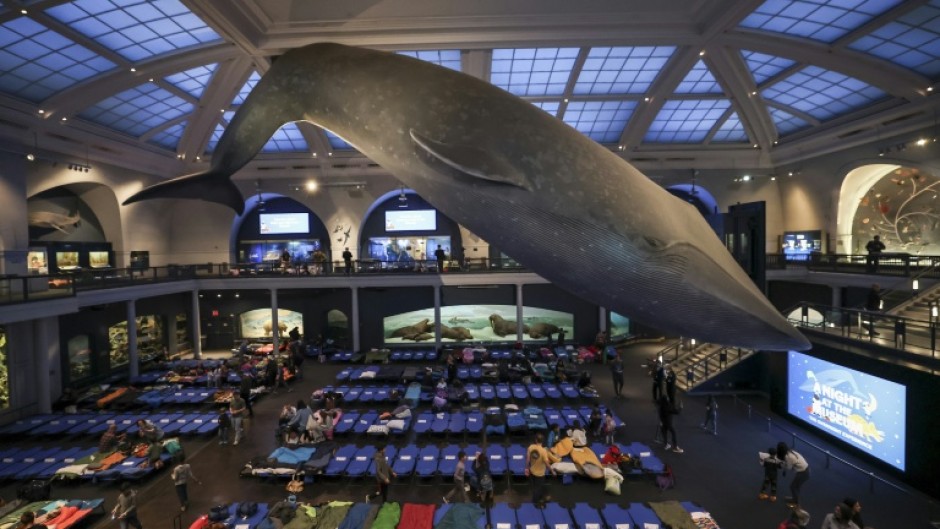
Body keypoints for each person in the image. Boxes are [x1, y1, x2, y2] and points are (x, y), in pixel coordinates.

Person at [776, 442, 810, 506]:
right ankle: (794, 498)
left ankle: (795, 503)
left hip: (803, 473)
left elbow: (789, 467)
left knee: (793, 487)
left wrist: (781, 465)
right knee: (797, 487)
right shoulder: (790, 452)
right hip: (805, 470)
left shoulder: (789, 457)